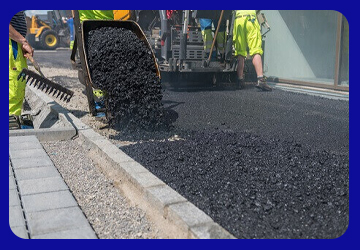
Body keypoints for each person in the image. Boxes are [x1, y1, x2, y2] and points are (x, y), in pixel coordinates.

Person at [233, 10, 272, 91]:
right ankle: (261, 80)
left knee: (240, 52)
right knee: (256, 50)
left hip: (239, 20)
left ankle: (240, 80)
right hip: (251, 20)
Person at [9, 11, 34, 116]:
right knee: (14, 87)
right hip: (11, 43)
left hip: (15, 42)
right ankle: (9, 126)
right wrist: (23, 41)